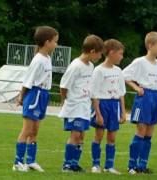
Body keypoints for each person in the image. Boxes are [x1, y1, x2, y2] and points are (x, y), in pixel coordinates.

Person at [12, 26, 58, 172]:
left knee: (35, 130)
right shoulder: (37, 60)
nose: (56, 44)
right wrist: (21, 97)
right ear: (47, 42)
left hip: (43, 94)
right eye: (55, 41)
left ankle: (31, 161)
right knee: (27, 129)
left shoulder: (47, 58)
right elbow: (27, 81)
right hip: (34, 95)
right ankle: (18, 162)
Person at [58, 35, 104, 172]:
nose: (100, 57)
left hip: (84, 106)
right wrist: (68, 100)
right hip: (74, 106)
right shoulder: (76, 65)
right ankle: (66, 165)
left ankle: (74, 164)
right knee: (75, 134)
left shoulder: (90, 66)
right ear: (92, 51)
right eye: (100, 53)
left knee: (82, 135)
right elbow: (63, 86)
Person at [123, 31, 157, 174]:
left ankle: (142, 165)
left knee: (149, 133)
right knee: (141, 130)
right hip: (144, 97)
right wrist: (136, 87)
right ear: (150, 45)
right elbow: (124, 75)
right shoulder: (139, 62)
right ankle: (131, 165)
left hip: (156, 96)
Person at [90, 39, 126, 174]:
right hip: (102, 104)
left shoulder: (119, 71)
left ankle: (109, 166)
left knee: (112, 137)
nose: (122, 57)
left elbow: (121, 92)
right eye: (120, 54)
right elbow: (94, 94)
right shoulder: (98, 70)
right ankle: (95, 164)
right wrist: (98, 113)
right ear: (111, 53)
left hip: (114, 105)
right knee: (99, 135)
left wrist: (123, 112)